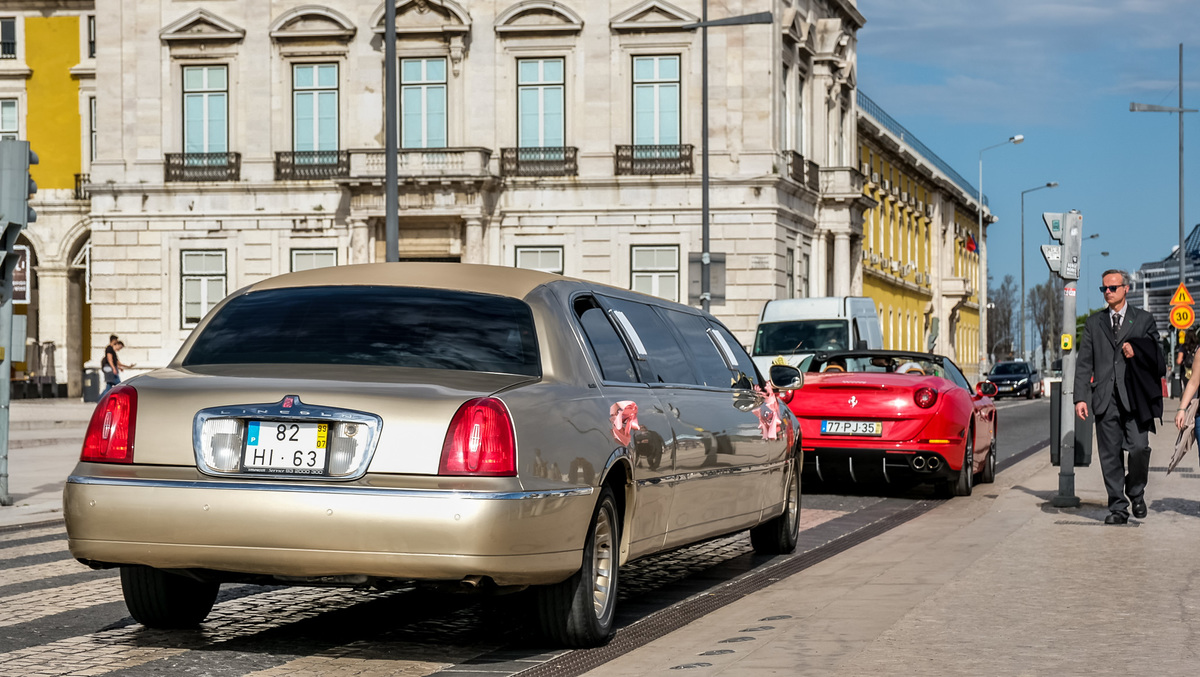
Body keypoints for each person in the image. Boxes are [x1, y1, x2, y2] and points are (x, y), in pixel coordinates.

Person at [1074, 269, 1164, 525]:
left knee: (1138, 447)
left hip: (1134, 397)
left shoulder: (1144, 319)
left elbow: (1158, 356)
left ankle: (1136, 491)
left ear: (1126, 288)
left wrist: (1135, 349)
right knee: (1110, 455)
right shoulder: (1094, 323)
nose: (1108, 292)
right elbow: (1084, 364)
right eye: (1104, 289)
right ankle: (1118, 508)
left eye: (1113, 288)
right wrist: (1081, 397)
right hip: (1104, 398)